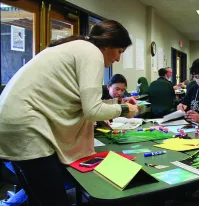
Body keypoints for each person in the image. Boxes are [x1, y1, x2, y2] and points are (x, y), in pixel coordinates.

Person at [0, 20, 138, 206]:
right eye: (119, 51)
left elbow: (79, 100)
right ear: (107, 44)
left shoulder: (77, 48)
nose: (118, 59)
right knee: (53, 200)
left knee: (39, 197)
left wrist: (116, 104)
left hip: (14, 121)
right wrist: (123, 109)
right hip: (27, 126)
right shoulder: (92, 52)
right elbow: (92, 110)